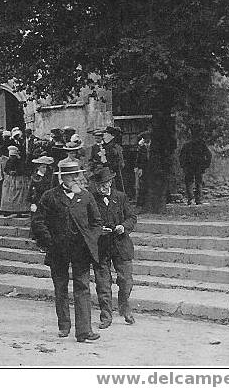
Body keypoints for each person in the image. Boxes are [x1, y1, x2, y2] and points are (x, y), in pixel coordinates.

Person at [31, 158, 106, 343]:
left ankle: (84, 331)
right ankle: (64, 326)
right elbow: (38, 221)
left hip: (81, 250)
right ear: (61, 178)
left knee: (83, 287)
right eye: (69, 176)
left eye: (76, 175)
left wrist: (91, 238)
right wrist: (50, 241)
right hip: (58, 250)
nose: (73, 179)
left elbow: (97, 222)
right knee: (61, 288)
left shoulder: (86, 196)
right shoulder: (50, 196)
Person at [88, 167, 137, 327]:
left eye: (105, 183)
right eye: (99, 184)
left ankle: (125, 308)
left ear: (110, 182)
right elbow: (86, 223)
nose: (102, 187)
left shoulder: (120, 197)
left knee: (126, 281)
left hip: (121, 245)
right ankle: (106, 316)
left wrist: (123, 226)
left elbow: (131, 217)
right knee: (102, 283)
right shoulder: (91, 200)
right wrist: (98, 231)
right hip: (101, 247)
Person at [179, 132, 212, 205]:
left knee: (190, 182)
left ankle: (191, 199)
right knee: (198, 182)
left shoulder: (187, 145)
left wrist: (183, 165)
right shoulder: (201, 144)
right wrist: (206, 164)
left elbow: (181, 156)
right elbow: (209, 155)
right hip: (198, 166)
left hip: (190, 166)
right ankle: (198, 199)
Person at [0, 145, 31, 215]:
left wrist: (17, 172)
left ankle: (19, 210)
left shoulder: (20, 161)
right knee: (8, 195)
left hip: (18, 179)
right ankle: (8, 209)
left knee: (19, 195)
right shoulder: (8, 162)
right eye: (11, 156)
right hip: (10, 180)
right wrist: (9, 172)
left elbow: (23, 169)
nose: (12, 158)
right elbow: (6, 169)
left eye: (13, 156)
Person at [100, 127, 126, 193]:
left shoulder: (113, 147)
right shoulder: (106, 146)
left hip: (112, 171)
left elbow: (120, 162)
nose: (104, 136)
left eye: (106, 134)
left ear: (112, 136)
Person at [134, 132, 151, 207]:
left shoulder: (152, 146)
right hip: (144, 168)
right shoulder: (141, 147)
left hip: (151, 168)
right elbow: (139, 159)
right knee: (142, 185)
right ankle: (141, 203)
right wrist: (139, 167)